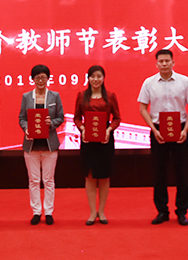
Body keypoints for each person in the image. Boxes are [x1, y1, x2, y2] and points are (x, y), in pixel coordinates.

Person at [138, 49, 188, 226]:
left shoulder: (184, 81)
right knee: (159, 173)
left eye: (167, 61)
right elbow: (142, 108)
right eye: (161, 61)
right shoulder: (149, 83)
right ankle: (162, 211)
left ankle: (182, 211)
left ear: (173, 62)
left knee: (182, 172)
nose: (164, 64)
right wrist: (153, 129)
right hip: (158, 131)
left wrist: (185, 129)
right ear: (156, 63)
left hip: (180, 130)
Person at [74, 65, 121, 226]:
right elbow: (77, 117)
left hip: (105, 139)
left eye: (99, 76)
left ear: (103, 78)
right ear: (88, 78)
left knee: (104, 175)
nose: (95, 79)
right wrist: (82, 129)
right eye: (92, 76)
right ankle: (92, 212)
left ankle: (101, 211)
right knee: (90, 175)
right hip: (88, 139)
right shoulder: (82, 96)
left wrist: (109, 130)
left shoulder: (110, 96)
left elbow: (117, 118)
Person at [18, 64, 65, 225]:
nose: (40, 80)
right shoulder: (26, 97)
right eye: (37, 77)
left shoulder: (54, 96)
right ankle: (36, 211)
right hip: (31, 145)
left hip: (49, 145)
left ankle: (49, 212)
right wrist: (26, 128)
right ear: (32, 79)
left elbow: (60, 117)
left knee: (49, 180)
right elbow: (22, 118)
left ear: (48, 79)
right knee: (33, 180)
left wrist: (51, 123)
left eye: (43, 77)